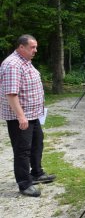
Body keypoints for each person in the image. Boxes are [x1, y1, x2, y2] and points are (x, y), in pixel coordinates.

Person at [0, 34, 56, 197]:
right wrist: (21, 117)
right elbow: (11, 94)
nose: (35, 50)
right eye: (32, 47)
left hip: (33, 115)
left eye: (36, 47)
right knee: (22, 150)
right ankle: (24, 184)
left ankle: (37, 173)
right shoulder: (12, 64)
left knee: (37, 143)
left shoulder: (25, 61)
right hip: (21, 117)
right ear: (21, 47)